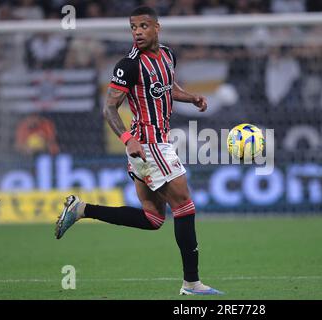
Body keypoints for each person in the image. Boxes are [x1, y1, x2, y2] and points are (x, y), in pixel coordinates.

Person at [54, 6, 223, 296]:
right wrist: (126, 138)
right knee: (184, 205)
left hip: (153, 145)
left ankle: (82, 209)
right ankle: (192, 283)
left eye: (143, 26)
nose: (138, 32)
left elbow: (166, 88)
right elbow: (109, 107)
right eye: (133, 27)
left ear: (157, 27)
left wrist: (191, 97)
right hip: (147, 144)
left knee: (153, 218)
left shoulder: (167, 54)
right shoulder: (128, 65)